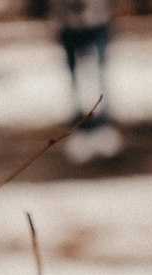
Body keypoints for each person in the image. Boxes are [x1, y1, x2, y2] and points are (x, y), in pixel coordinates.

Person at [52, 0, 122, 160]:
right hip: (68, 22)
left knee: (100, 74)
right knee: (75, 76)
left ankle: (103, 123)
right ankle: (80, 125)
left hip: (96, 19)